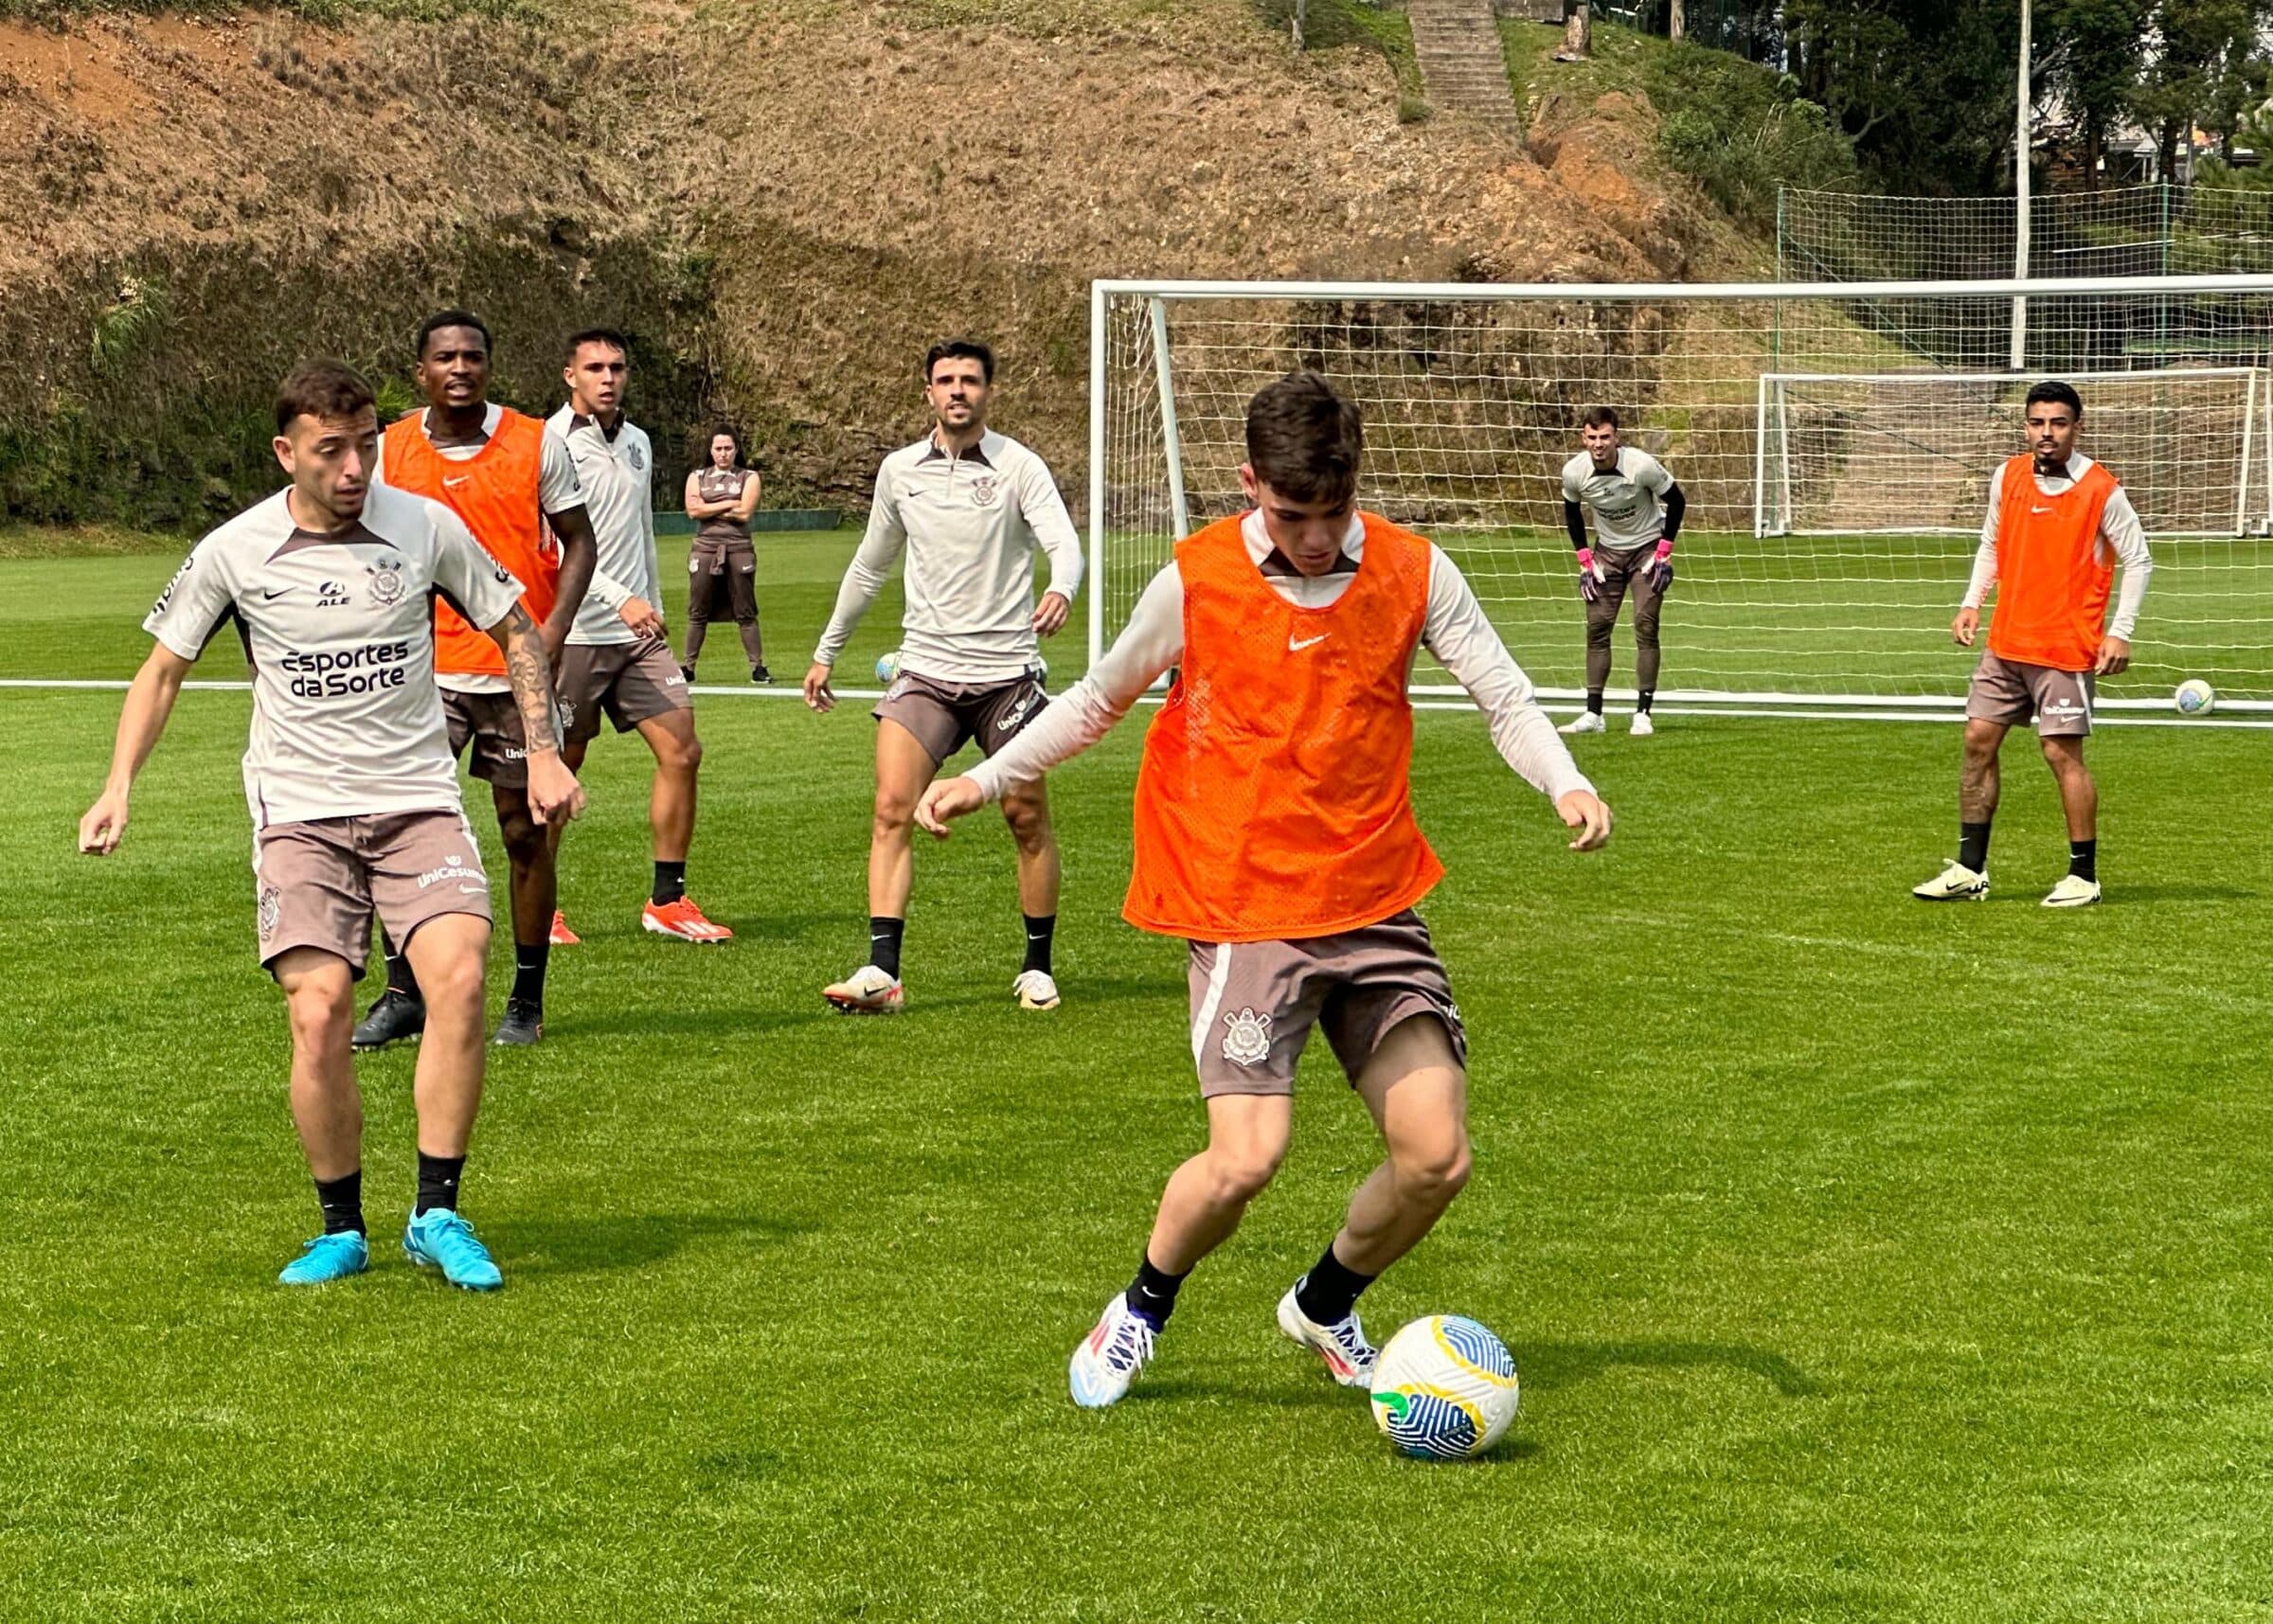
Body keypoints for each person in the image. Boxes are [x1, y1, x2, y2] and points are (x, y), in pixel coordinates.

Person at [915, 371, 1613, 1408]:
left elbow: (1500, 691)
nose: (1320, 538)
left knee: (1437, 1155)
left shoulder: (1415, 570)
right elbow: (1098, 700)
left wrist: (1566, 779)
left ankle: (1326, 1300)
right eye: (1294, 515)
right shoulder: (1195, 581)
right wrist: (987, 772)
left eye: (1334, 513)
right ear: (1249, 485)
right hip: (1247, 908)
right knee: (1248, 1158)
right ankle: (1142, 1306)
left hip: (1374, 899)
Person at [78, 361, 585, 1289]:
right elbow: (160, 672)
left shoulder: (424, 525)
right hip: (300, 813)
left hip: (417, 800)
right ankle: (341, 1225)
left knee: (461, 982)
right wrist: (118, 784)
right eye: (332, 451)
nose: (356, 468)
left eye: (366, 447)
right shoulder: (234, 549)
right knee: (318, 1017)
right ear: (286, 454)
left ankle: (437, 1211)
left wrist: (544, 749)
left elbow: (516, 629)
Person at [351, 310, 639, 1049]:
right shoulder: (388, 451)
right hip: (420, 673)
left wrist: (552, 631)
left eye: (473, 356)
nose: (460, 368)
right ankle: (401, 991)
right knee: (392, 823)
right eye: (444, 356)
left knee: (524, 831)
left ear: (489, 366)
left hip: (512, 668)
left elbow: (580, 540)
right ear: (421, 372)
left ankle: (526, 997)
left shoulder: (533, 441)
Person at [803, 338, 1083, 1014]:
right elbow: (870, 566)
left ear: (988, 391)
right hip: (925, 671)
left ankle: (1037, 965)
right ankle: (882, 972)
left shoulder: (1019, 466)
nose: (958, 390)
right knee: (890, 808)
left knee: (1025, 815)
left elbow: (1063, 541)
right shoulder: (900, 471)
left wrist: (1064, 587)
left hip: (1007, 676)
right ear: (927, 391)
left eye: (970, 380)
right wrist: (826, 649)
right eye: (945, 380)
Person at [1914, 380, 2153, 908]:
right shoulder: (2008, 476)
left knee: (2060, 753)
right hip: (2006, 642)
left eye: (2058, 423)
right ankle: (1969, 870)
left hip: (2066, 649)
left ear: (2077, 427)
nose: (2046, 433)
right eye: (2037, 422)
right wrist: (1972, 601)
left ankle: (2083, 876)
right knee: (1978, 741)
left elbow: (2138, 559)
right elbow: (1992, 543)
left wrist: (2121, 631)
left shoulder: (2101, 489)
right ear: (2026, 425)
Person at [547, 330, 732, 944]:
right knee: (562, 767)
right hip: (574, 632)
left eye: (617, 366)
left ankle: (666, 901)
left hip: (639, 633)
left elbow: (640, 530)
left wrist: (650, 602)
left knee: (683, 749)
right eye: (594, 367)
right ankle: (539, 906)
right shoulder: (549, 444)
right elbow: (553, 546)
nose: (607, 376)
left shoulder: (638, 442)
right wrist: (616, 598)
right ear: (570, 375)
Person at [1557, 406, 1686, 737]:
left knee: (1645, 624)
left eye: (1605, 437)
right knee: (1597, 628)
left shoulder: (1640, 465)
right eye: (1592, 437)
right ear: (1583, 438)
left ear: (1616, 437)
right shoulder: (1574, 472)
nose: (1599, 444)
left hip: (1646, 549)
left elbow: (1677, 500)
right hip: (1607, 554)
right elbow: (1571, 511)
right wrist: (1585, 559)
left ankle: (1643, 713)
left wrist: (1663, 553)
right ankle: (1593, 714)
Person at [683, 427, 767, 685]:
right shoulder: (697, 476)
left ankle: (757, 667)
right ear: (710, 450)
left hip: (738, 547)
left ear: (736, 450)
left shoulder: (749, 477)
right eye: (718, 448)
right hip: (705, 547)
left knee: (745, 610)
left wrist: (709, 507)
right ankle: (688, 667)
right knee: (698, 610)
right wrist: (730, 502)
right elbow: (693, 511)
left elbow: (744, 514)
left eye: (728, 448)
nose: (723, 453)